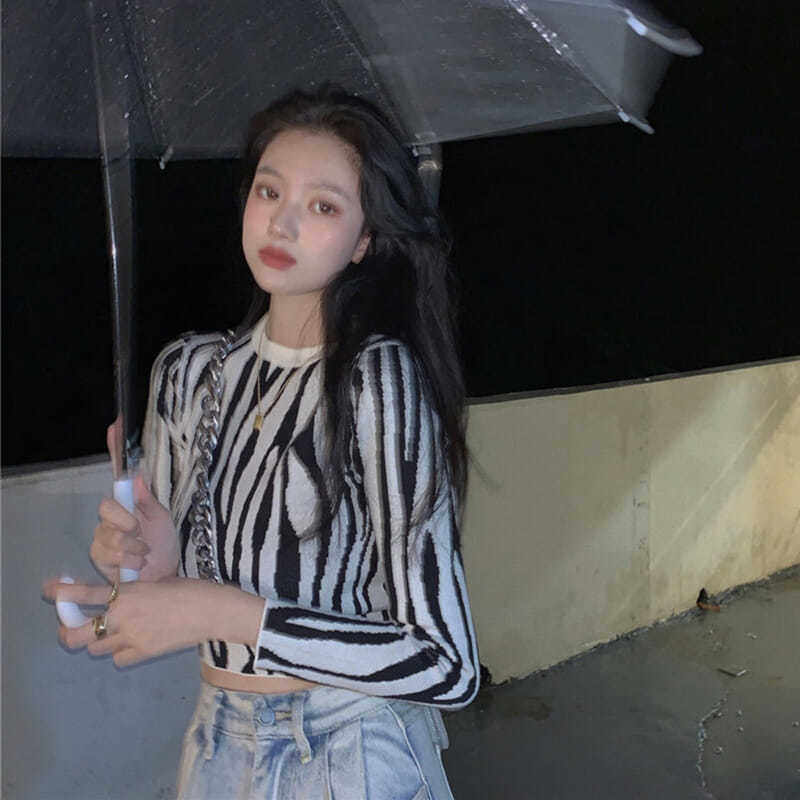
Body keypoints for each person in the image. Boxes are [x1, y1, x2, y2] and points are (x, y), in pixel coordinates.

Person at [45, 85, 479, 799]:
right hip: (216, 741)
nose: (283, 221)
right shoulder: (188, 373)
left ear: (364, 240)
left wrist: (216, 611)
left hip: (345, 748)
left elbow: (445, 663)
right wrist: (149, 558)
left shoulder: (375, 379)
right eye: (269, 191)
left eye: (323, 206)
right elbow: (179, 578)